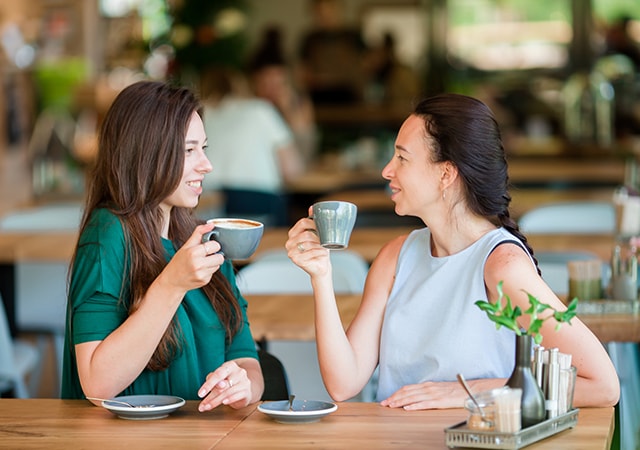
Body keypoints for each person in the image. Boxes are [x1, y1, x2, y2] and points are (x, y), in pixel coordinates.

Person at [285, 93, 620, 409]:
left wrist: (468, 391)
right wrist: (321, 276)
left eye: (402, 157)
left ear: (445, 173)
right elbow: (343, 383)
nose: (387, 170)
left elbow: (603, 385)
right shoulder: (394, 258)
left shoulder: (502, 266)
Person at [61, 80, 264, 411]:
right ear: (146, 154)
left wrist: (244, 385)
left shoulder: (207, 238)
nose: (206, 165)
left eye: (204, 148)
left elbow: (246, 359)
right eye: (188, 150)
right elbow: (97, 385)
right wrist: (172, 284)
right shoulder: (107, 236)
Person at [200, 66, 305, 226]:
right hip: (257, 201)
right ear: (241, 86)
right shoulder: (260, 110)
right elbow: (292, 171)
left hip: (206, 201)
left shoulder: (197, 114)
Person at [248, 25, 318, 163]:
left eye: (278, 84)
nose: (272, 90)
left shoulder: (299, 102)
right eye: (266, 84)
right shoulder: (249, 106)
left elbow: (304, 145)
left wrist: (287, 109)